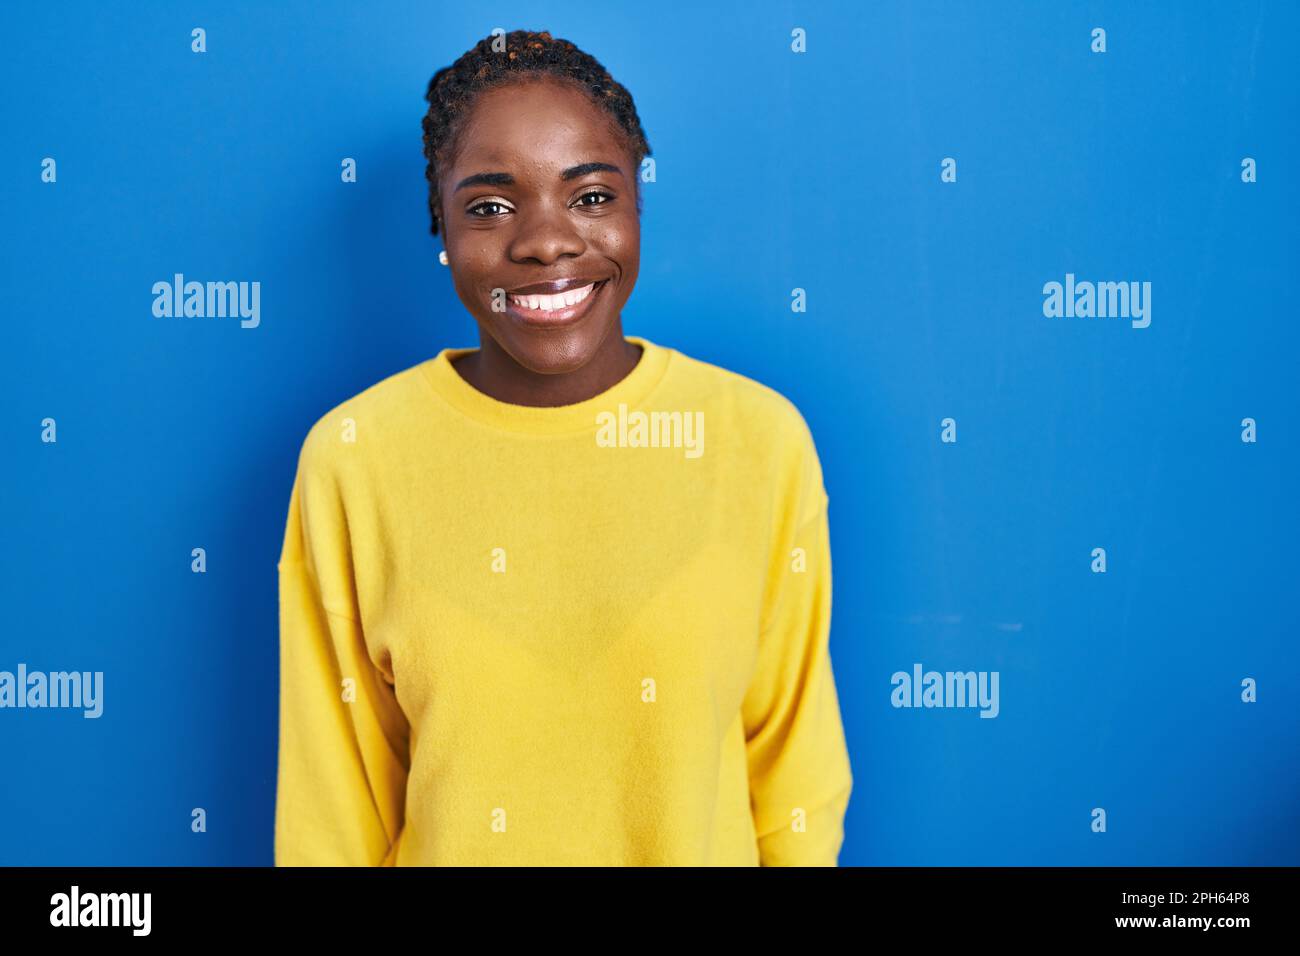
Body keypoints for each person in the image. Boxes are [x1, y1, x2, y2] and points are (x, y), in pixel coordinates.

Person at [274, 29, 853, 866]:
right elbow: (333, 808)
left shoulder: (756, 438)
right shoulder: (354, 456)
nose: (546, 242)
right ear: (440, 225)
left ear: (635, 210)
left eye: (589, 197)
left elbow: (793, 773)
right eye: (490, 206)